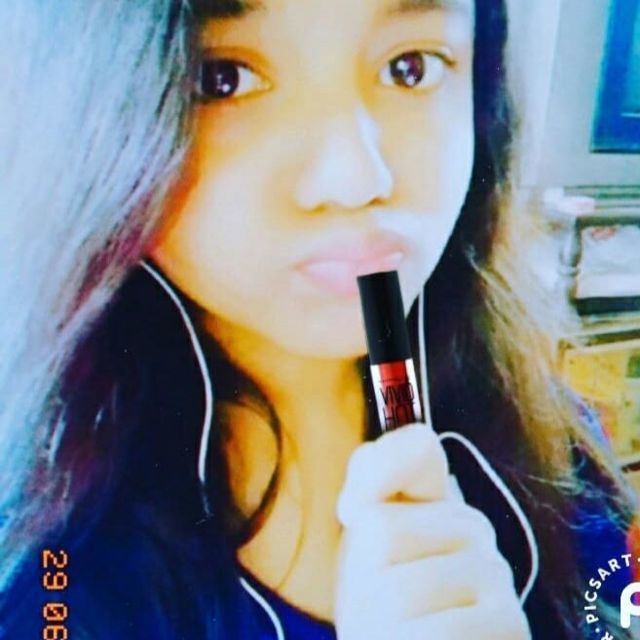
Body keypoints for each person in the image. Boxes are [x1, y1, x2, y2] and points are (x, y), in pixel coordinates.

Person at [0, 0, 638, 638]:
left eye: (411, 67)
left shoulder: (550, 434)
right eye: (222, 79)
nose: (357, 179)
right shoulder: (50, 563)